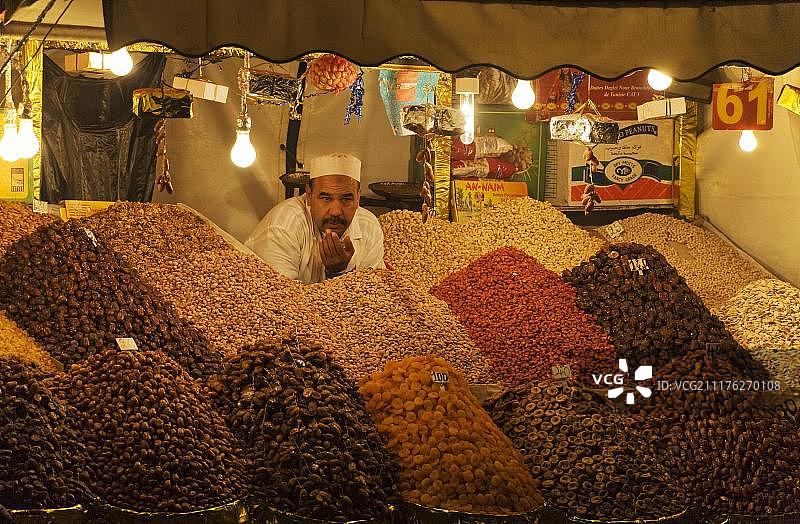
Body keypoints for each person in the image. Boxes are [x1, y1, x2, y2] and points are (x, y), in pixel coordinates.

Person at [246, 152, 386, 284]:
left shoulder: (369, 227)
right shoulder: (283, 228)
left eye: (346, 199)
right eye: (326, 198)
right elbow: (280, 299)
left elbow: (370, 294)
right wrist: (338, 276)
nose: (336, 211)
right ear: (309, 195)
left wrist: (341, 273)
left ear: (358, 198)